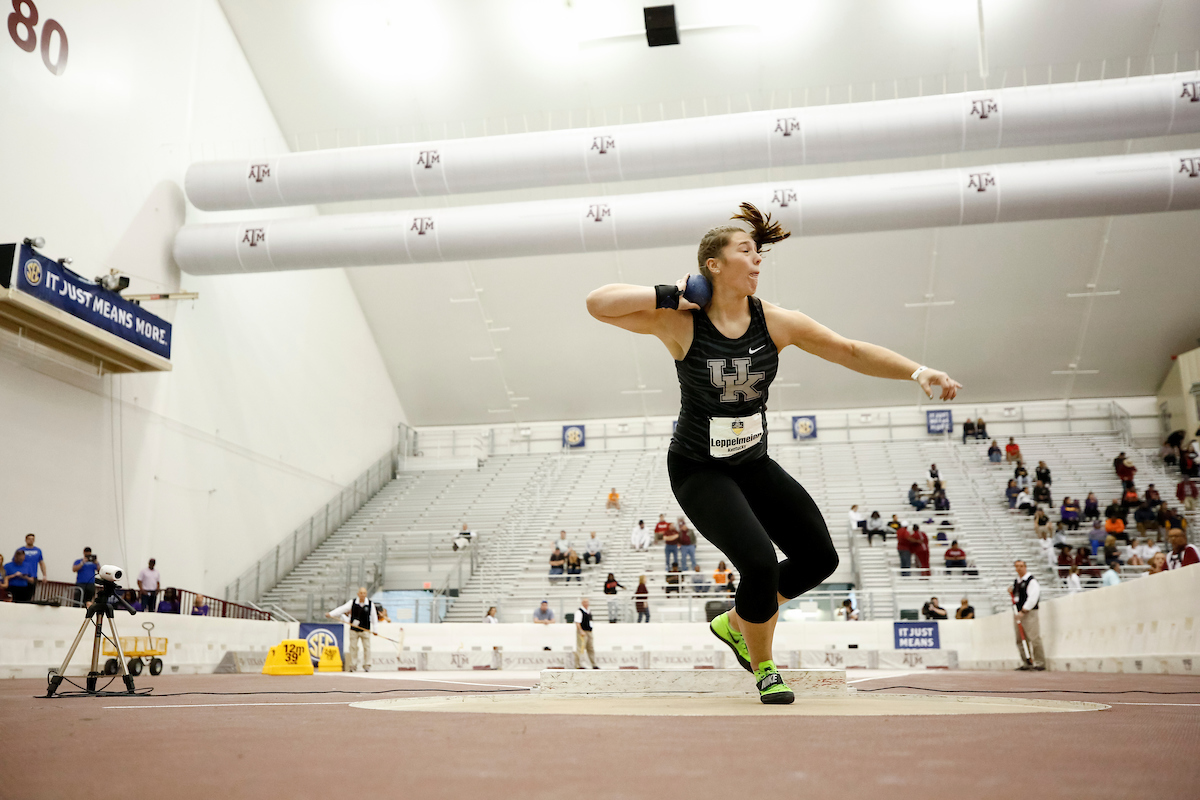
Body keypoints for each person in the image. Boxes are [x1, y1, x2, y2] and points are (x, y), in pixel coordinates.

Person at [587, 204, 961, 704]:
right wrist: (672, 293)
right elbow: (598, 303)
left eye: (759, 253)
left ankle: (738, 620)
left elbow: (848, 350)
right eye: (745, 251)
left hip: (752, 464)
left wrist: (918, 372)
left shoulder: (778, 323)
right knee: (760, 564)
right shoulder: (679, 323)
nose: (757, 261)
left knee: (819, 559)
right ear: (713, 265)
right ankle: (765, 666)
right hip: (699, 469)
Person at [327, 587, 375, 671]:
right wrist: (331, 614)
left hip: (365, 630)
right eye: (361, 593)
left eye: (364, 593)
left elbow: (374, 617)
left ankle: (367, 665)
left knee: (367, 647)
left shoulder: (370, 604)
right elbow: (342, 609)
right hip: (353, 630)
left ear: (366, 594)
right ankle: (353, 665)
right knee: (353, 647)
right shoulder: (352, 602)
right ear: (358, 594)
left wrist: (376, 630)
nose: (362, 595)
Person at [1011, 560, 1045, 670]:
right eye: (1017, 566)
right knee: (1020, 639)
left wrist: (1024, 611)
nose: (1019, 568)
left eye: (1021, 566)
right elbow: (1016, 597)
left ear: (1025, 567)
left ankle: (1040, 663)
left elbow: (1033, 598)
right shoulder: (1017, 582)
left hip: (1028, 613)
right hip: (1018, 613)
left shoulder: (1031, 581)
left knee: (1034, 638)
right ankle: (1026, 662)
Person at [574, 598, 599, 669]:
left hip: (589, 631)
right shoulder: (579, 611)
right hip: (583, 631)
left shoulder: (588, 611)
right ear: (582, 603)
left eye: (587, 602)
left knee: (590, 648)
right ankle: (579, 664)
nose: (586, 603)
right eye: (584, 602)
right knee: (581, 648)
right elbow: (577, 622)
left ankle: (593, 664)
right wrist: (580, 631)